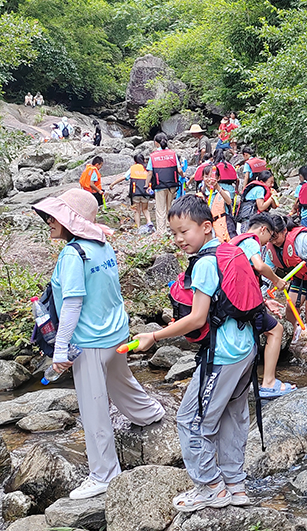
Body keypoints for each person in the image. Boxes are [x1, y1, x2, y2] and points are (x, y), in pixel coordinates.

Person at [33, 189, 165, 499]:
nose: (49, 221)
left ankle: (104, 474)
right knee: (121, 381)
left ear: (71, 221)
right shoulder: (102, 244)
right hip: (115, 333)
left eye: (55, 216)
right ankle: (150, 413)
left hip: (89, 342)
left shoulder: (72, 254)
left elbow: (72, 303)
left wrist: (60, 349)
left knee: (94, 409)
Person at [132, 195, 256, 511]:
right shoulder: (230, 252)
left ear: (206, 226)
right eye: (174, 233)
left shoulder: (204, 263)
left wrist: (154, 336)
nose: (178, 239)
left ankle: (210, 487)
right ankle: (235, 485)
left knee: (191, 420)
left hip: (223, 354)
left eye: (184, 231)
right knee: (232, 416)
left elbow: (198, 318)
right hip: (246, 347)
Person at [229, 214, 296, 399]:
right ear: (263, 229)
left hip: (232, 303)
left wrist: (264, 302)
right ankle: (269, 383)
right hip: (245, 305)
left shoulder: (236, 241)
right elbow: (259, 266)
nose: (268, 243)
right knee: (276, 330)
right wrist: (277, 280)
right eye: (269, 236)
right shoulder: (251, 241)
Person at [263, 214, 307, 353]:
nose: (274, 241)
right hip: (299, 275)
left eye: (276, 237)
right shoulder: (271, 247)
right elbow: (268, 270)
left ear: (284, 231)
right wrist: (262, 293)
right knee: (291, 306)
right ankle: (293, 332)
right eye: (270, 238)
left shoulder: (303, 239)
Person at [146, 133, 183, 234]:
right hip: (172, 185)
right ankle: (171, 227)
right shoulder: (172, 153)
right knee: (169, 206)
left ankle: (162, 231)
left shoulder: (153, 156)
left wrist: (146, 184)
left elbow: (150, 172)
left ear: (156, 143)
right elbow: (179, 169)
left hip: (159, 185)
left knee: (160, 209)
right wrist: (183, 175)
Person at [109, 154, 153, 230]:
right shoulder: (147, 168)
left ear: (135, 161)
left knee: (137, 211)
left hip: (135, 192)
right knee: (145, 209)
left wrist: (113, 184)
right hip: (146, 192)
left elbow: (123, 177)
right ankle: (149, 222)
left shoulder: (133, 168)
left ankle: (138, 227)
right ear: (144, 160)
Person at [200, 164, 233, 242]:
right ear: (203, 178)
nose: (209, 179)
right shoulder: (200, 195)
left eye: (212, 176)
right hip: (208, 227)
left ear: (218, 178)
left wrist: (217, 187)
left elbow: (229, 201)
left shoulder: (223, 193)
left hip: (223, 226)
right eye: (206, 176)